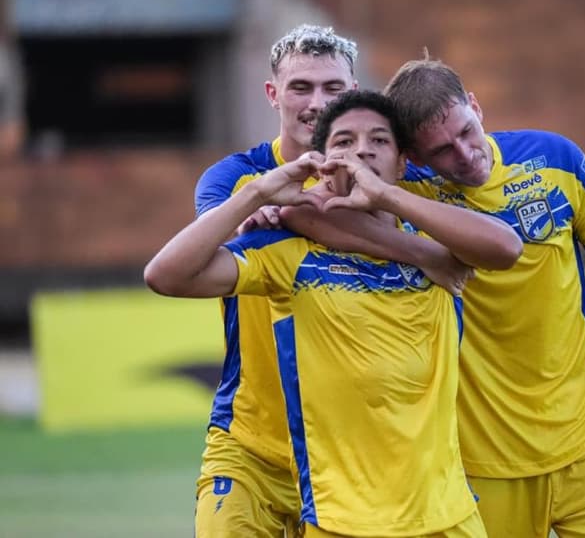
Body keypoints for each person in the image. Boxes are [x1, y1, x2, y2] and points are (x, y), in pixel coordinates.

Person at [145, 89, 522, 536]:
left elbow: (505, 248)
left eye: (379, 141)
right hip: (342, 520)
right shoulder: (287, 252)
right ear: (321, 162)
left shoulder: (436, 239)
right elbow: (166, 275)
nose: (361, 150)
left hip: (448, 517)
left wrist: (385, 196)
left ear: (403, 163)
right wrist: (261, 193)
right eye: (344, 142)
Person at [192, 26, 471, 538]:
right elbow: (266, 226)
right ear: (273, 93)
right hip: (254, 444)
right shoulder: (237, 179)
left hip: (348, 459)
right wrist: (427, 252)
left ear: (355, 92)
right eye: (301, 87)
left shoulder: (390, 171)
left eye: (333, 89)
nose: (316, 103)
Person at [384, 59, 585, 538]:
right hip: (483, 468)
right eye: (442, 151)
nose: (464, 154)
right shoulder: (411, 194)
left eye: (466, 129)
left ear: (477, 106)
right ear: (415, 158)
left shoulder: (556, 161)